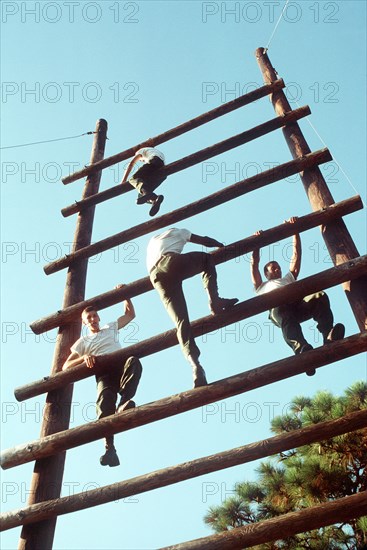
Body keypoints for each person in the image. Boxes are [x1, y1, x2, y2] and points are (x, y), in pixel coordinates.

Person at [250, 217, 345, 376]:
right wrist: (257, 242)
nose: (277, 270)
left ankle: (328, 335)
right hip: (279, 310)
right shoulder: (261, 286)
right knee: (283, 312)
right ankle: (301, 348)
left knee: (318, 295)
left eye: (278, 268)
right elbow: (254, 263)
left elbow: (296, 255)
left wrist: (295, 231)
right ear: (266, 274)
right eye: (273, 269)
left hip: (297, 305)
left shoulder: (287, 278)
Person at [147, 227, 239, 388]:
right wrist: (221, 245)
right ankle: (214, 300)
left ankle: (195, 366)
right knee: (206, 259)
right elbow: (205, 240)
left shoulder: (153, 241)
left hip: (156, 277)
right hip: (169, 262)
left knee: (181, 322)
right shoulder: (179, 231)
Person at [62, 287, 142, 467]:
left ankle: (124, 402)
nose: (92, 319)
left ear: (99, 318)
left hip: (121, 366)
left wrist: (125, 295)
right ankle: (110, 449)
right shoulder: (83, 342)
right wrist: (84, 358)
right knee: (105, 403)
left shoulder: (110, 327)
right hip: (104, 374)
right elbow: (66, 365)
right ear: (84, 323)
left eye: (94, 316)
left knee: (134, 361)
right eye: (88, 318)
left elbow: (130, 315)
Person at [120, 146, 166, 216]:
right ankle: (155, 200)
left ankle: (150, 196)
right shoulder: (155, 152)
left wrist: (123, 180)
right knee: (144, 191)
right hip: (162, 172)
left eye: (142, 160)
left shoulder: (141, 151)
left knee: (133, 179)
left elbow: (131, 164)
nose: (142, 161)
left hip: (154, 162)